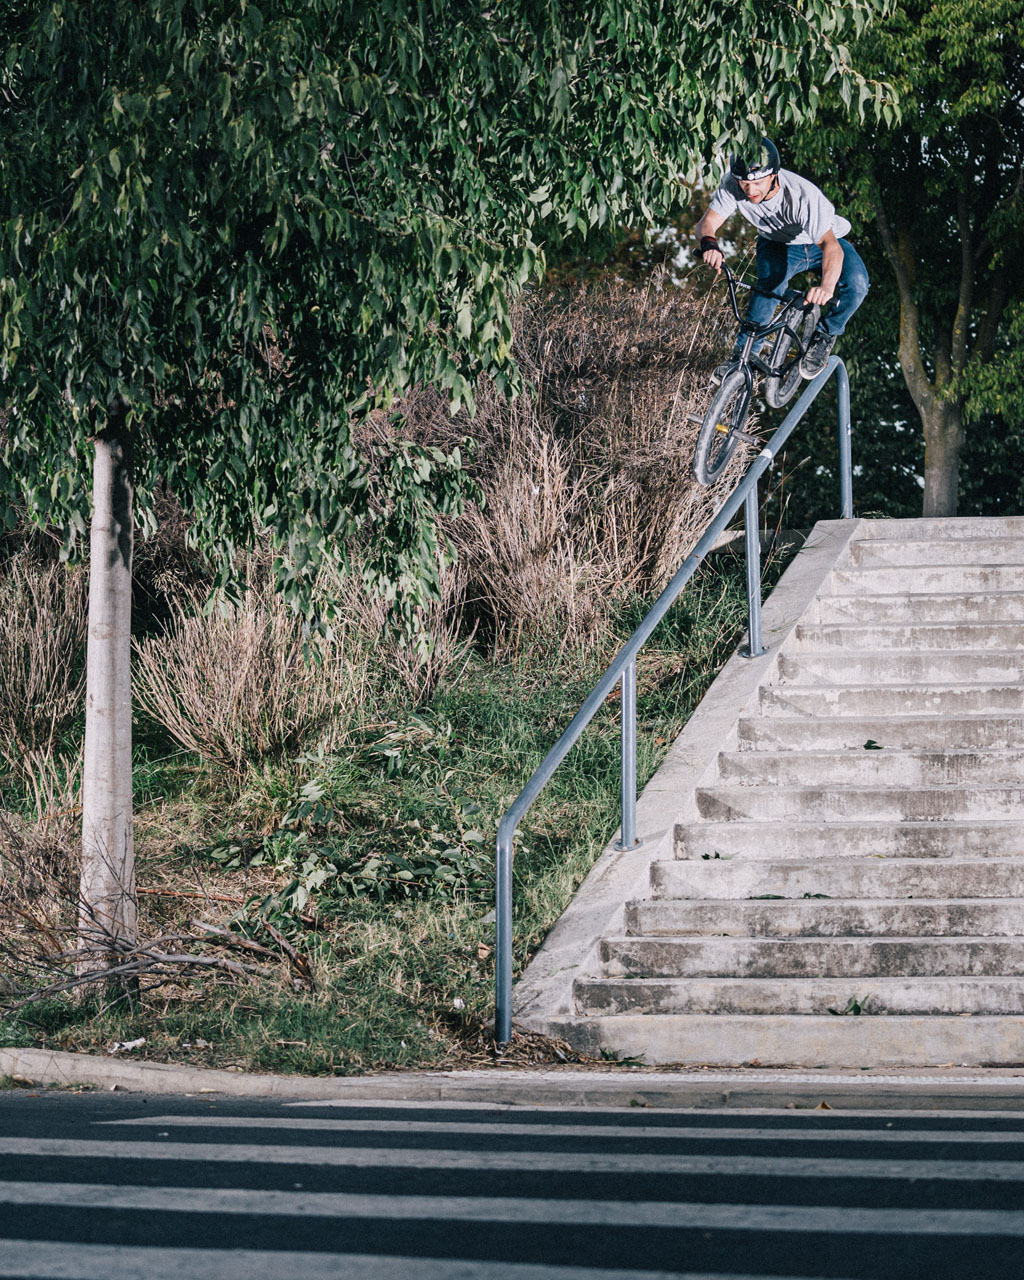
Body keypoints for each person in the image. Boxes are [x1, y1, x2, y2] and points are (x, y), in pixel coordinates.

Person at [694, 137, 869, 379]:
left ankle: (825, 335)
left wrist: (827, 287)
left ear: (774, 175)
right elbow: (706, 224)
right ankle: (743, 357)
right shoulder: (732, 185)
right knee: (768, 288)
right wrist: (709, 244)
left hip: (822, 244)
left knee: (858, 284)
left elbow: (831, 247)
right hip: (776, 243)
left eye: (758, 183)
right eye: (744, 184)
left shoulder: (802, 196)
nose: (751, 191)